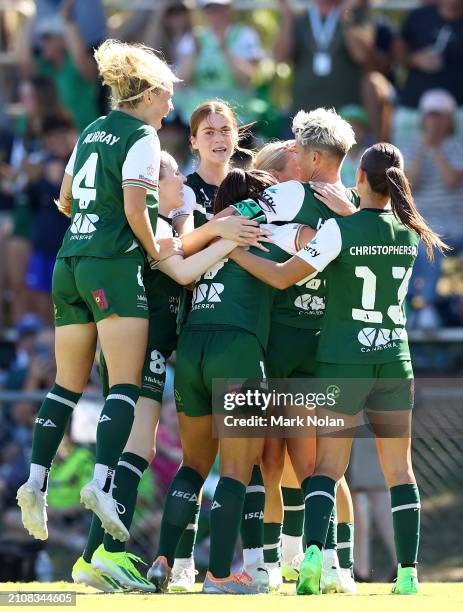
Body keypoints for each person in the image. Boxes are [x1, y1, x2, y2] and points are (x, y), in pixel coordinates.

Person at [228, 142, 447, 595]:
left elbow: (281, 276)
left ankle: (311, 556)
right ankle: (407, 575)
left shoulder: (338, 231)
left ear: (361, 180)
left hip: (342, 361)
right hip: (393, 359)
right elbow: (374, 238)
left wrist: (233, 251)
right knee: (400, 472)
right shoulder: (411, 233)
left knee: (326, 467)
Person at [71, 151, 264, 592]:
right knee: (136, 449)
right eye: (175, 175)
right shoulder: (151, 226)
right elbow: (181, 272)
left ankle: (91, 557)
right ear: (153, 185)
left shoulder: (170, 224)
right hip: (145, 342)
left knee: (141, 448)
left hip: (155, 343)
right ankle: (107, 554)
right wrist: (226, 236)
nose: (183, 182)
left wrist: (203, 229)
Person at [16, 39, 182, 545]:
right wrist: (155, 251)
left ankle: (35, 480)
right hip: (112, 265)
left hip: (69, 262)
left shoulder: (91, 129)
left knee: (65, 385)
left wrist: (91, 226)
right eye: (167, 95)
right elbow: (136, 210)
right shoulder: (144, 137)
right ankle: (103, 483)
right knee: (124, 386)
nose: (171, 105)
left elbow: (64, 198)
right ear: (148, 94)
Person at [147, 168, 317, 594]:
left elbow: (174, 254)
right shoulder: (268, 237)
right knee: (237, 472)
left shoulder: (203, 237)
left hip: (189, 355)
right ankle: (220, 575)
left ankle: (165, 558)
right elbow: (314, 245)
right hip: (237, 352)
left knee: (192, 466)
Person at [252, 137, 356, 593]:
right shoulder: (350, 202)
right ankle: (324, 561)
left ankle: (281, 560)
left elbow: (231, 224)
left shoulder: (295, 197)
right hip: (319, 345)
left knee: (285, 461)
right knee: (315, 464)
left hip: (287, 343)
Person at [403, 88, 463, 328]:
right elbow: (410, 185)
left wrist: (435, 149)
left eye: (439, 115)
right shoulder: (409, 149)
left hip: (455, 228)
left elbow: (451, 180)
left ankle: (425, 307)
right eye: (430, 115)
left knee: (430, 244)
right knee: (419, 244)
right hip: (421, 227)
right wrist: (422, 149)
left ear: (449, 119)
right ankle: (417, 308)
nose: (434, 121)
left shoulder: (457, 147)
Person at [274, 0, 374, 121]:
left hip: (345, 114)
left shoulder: (355, 14)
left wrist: (345, 17)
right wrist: (288, 17)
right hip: (304, 113)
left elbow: (361, 55)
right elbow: (279, 56)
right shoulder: (301, 17)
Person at [174, 0, 263, 125]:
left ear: (229, 9)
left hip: (238, 118)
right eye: (210, 9)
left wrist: (225, 50)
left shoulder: (246, 35)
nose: (215, 14)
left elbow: (247, 79)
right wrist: (194, 53)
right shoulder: (194, 38)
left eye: (219, 8)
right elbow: (182, 82)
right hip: (199, 119)